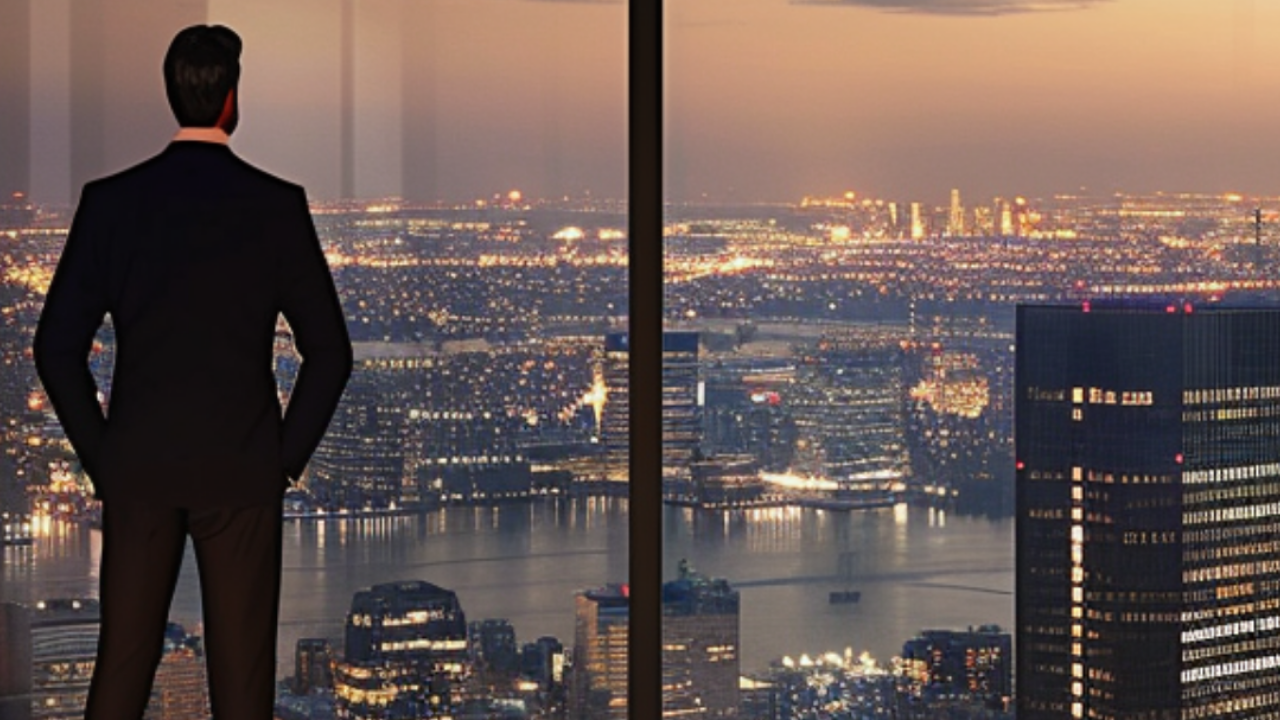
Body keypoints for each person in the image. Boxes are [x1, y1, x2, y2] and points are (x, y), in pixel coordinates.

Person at [32, 25, 352, 718]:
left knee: (122, 666)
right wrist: (280, 461)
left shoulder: (112, 203)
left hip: (140, 467)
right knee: (242, 681)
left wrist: (104, 456)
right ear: (231, 100)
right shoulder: (275, 205)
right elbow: (330, 353)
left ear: (172, 94)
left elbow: (55, 347)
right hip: (241, 473)